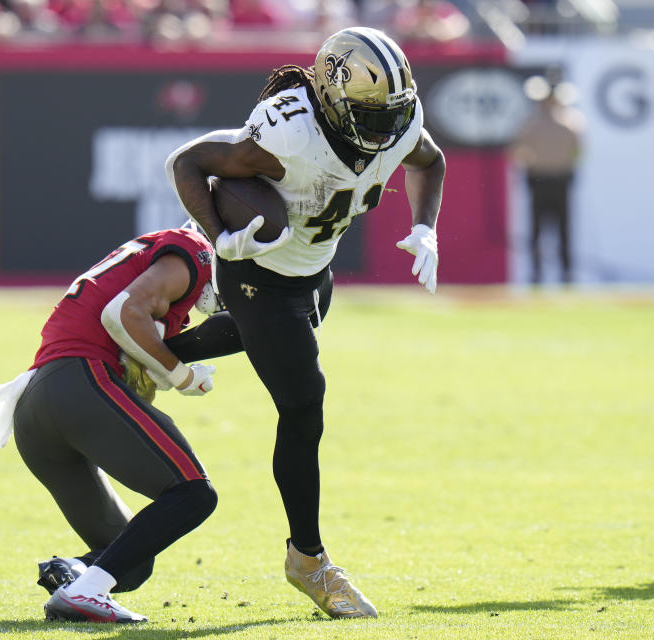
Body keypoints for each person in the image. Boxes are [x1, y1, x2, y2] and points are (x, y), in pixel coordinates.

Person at [163, 26, 446, 619]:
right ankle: (309, 560)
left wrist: (426, 226)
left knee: (266, 340)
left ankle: (145, 355)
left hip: (312, 271)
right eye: (368, 116)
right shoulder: (288, 130)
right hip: (257, 272)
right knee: (303, 402)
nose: (383, 130)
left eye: (389, 115)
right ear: (332, 98)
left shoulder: (394, 118)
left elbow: (428, 158)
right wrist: (221, 241)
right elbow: (187, 161)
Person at [0, 227, 221, 623]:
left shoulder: (156, 257)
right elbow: (125, 313)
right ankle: (87, 592)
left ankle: (74, 577)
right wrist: (179, 375)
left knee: (127, 560)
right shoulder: (195, 252)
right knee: (194, 493)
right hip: (78, 383)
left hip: (37, 404)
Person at [510, 75, 584, 284]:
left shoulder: (563, 122)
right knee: (539, 232)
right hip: (541, 179)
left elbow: (577, 151)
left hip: (555, 179)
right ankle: (538, 273)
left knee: (561, 231)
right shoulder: (564, 122)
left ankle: (565, 273)